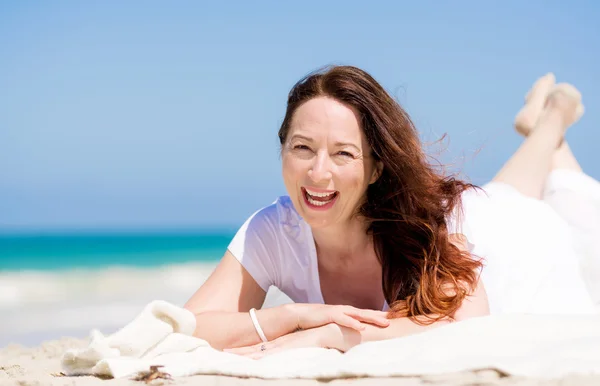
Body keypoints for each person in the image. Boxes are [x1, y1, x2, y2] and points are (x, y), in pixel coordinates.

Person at [184, 67, 599, 358]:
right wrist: (292, 317)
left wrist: (334, 334)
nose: (317, 172)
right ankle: (546, 127)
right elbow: (188, 326)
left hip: (510, 241)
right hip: (489, 205)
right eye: (302, 147)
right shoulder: (273, 230)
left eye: (343, 154)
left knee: (549, 197)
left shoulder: (428, 223)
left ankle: (555, 115)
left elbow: (466, 322)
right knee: (511, 185)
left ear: (376, 168)